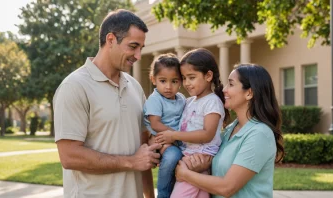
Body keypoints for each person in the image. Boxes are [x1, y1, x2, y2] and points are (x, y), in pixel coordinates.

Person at [53, 9, 161, 198]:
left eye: (141, 48)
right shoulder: (75, 86)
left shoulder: (134, 87)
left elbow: (143, 151)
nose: (138, 55)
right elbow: (69, 156)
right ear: (111, 39)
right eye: (133, 46)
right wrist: (131, 161)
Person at [174, 64, 285, 198]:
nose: (224, 90)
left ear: (249, 93)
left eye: (231, 84)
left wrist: (185, 174)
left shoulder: (259, 134)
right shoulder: (229, 130)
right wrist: (201, 165)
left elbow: (227, 187)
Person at [155, 48, 230, 198]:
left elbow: (207, 134)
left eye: (192, 77)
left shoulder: (212, 102)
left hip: (199, 161)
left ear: (208, 75)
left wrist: (173, 136)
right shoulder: (189, 101)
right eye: (184, 78)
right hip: (188, 157)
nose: (187, 83)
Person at [143, 53, 185, 198]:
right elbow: (155, 124)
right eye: (163, 81)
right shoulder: (155, 99)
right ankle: (163, 194)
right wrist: (177, 136)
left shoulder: (181, 99)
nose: (168, 87)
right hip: (161, 140)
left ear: (181, 81)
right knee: (173, 156)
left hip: (177, 140)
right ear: (153, 79)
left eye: (174, 81)